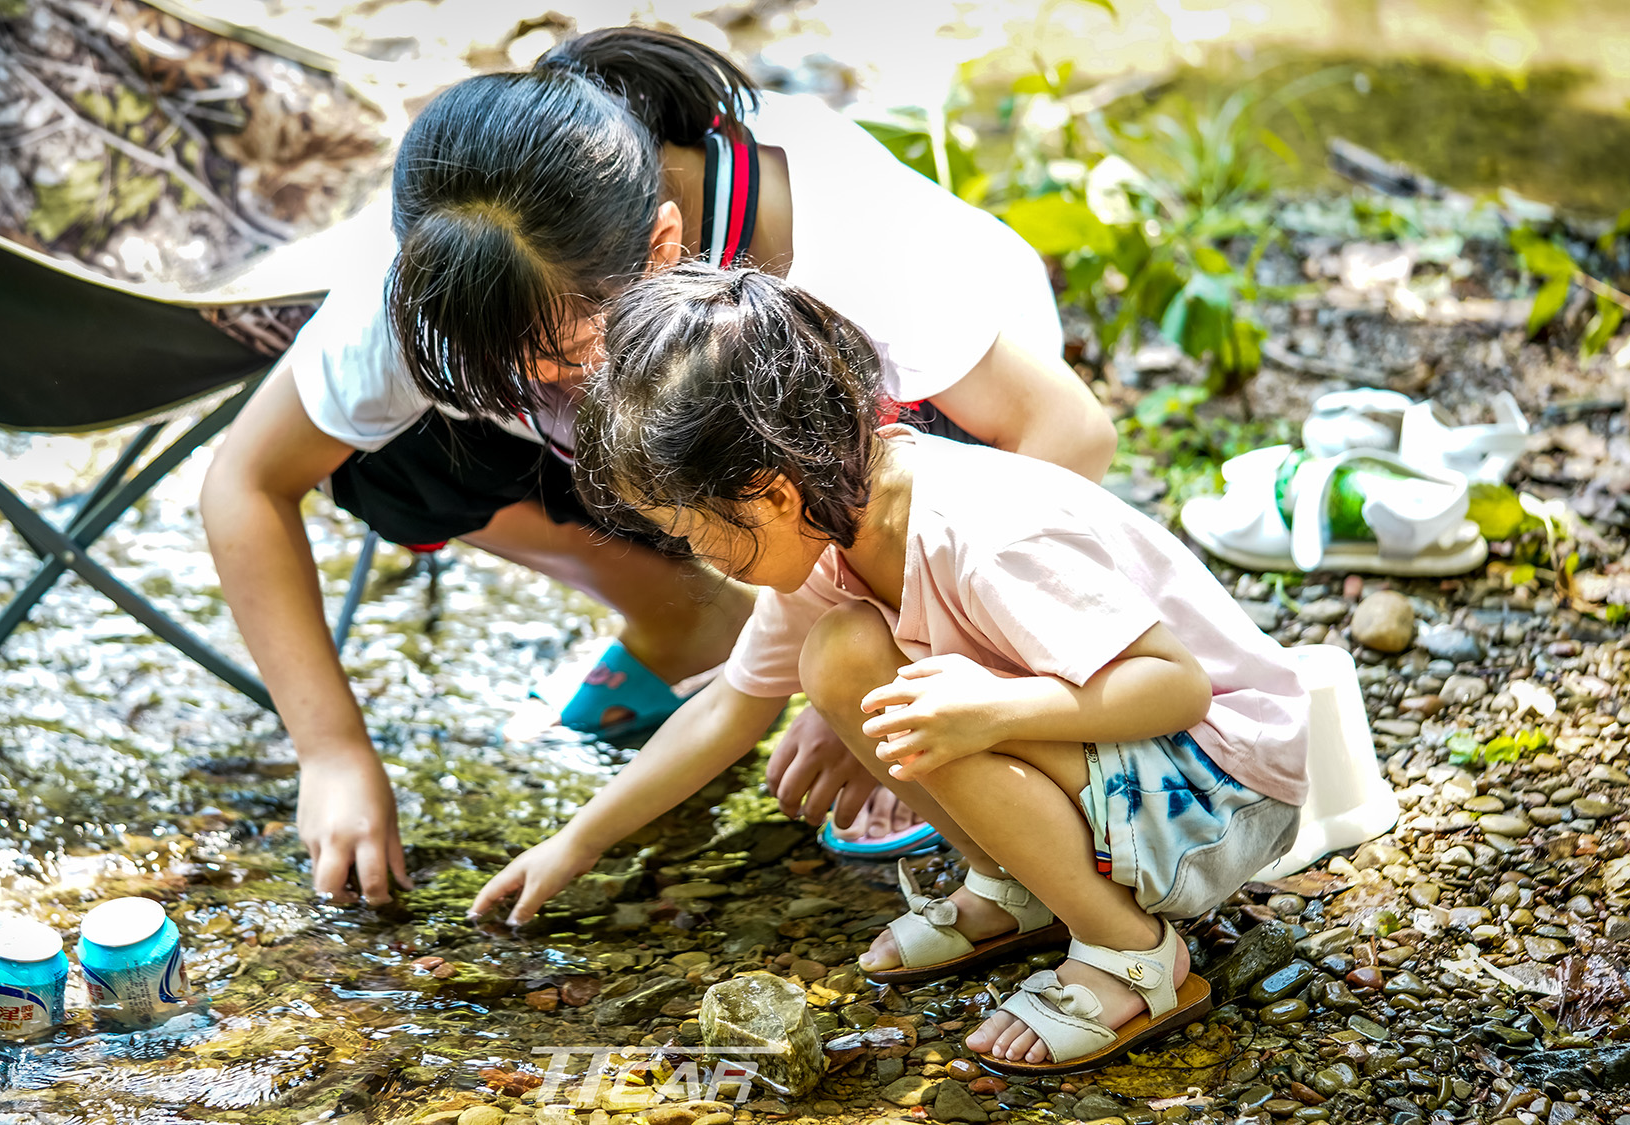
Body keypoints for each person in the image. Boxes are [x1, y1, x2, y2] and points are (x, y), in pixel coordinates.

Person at [200, 26, 1117, 906]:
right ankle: (684, 615)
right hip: (695, 430)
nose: (538, 388)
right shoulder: (427, 294)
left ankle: (859, 622)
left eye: (558, 355)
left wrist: (891, 671)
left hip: (939, 432)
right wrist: (331, 750)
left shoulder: (844, 246)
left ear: (666, 246)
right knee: (383, 456)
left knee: (895, 562)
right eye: (509, 374)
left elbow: (1066, 436)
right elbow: (246, 484)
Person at [470, 264, 1309, 1074]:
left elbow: (1175, 686)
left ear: (766, 494)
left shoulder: (983, 536)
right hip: (1137, 771)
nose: (697, 560)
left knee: (933, 707)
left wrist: (997, 710)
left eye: (693, 534)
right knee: (841, 656)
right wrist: (574, 843)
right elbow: (729, 705)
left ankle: (1134, 953)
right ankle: (1018, 885)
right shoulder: (829, 527)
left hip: (1223, 786)